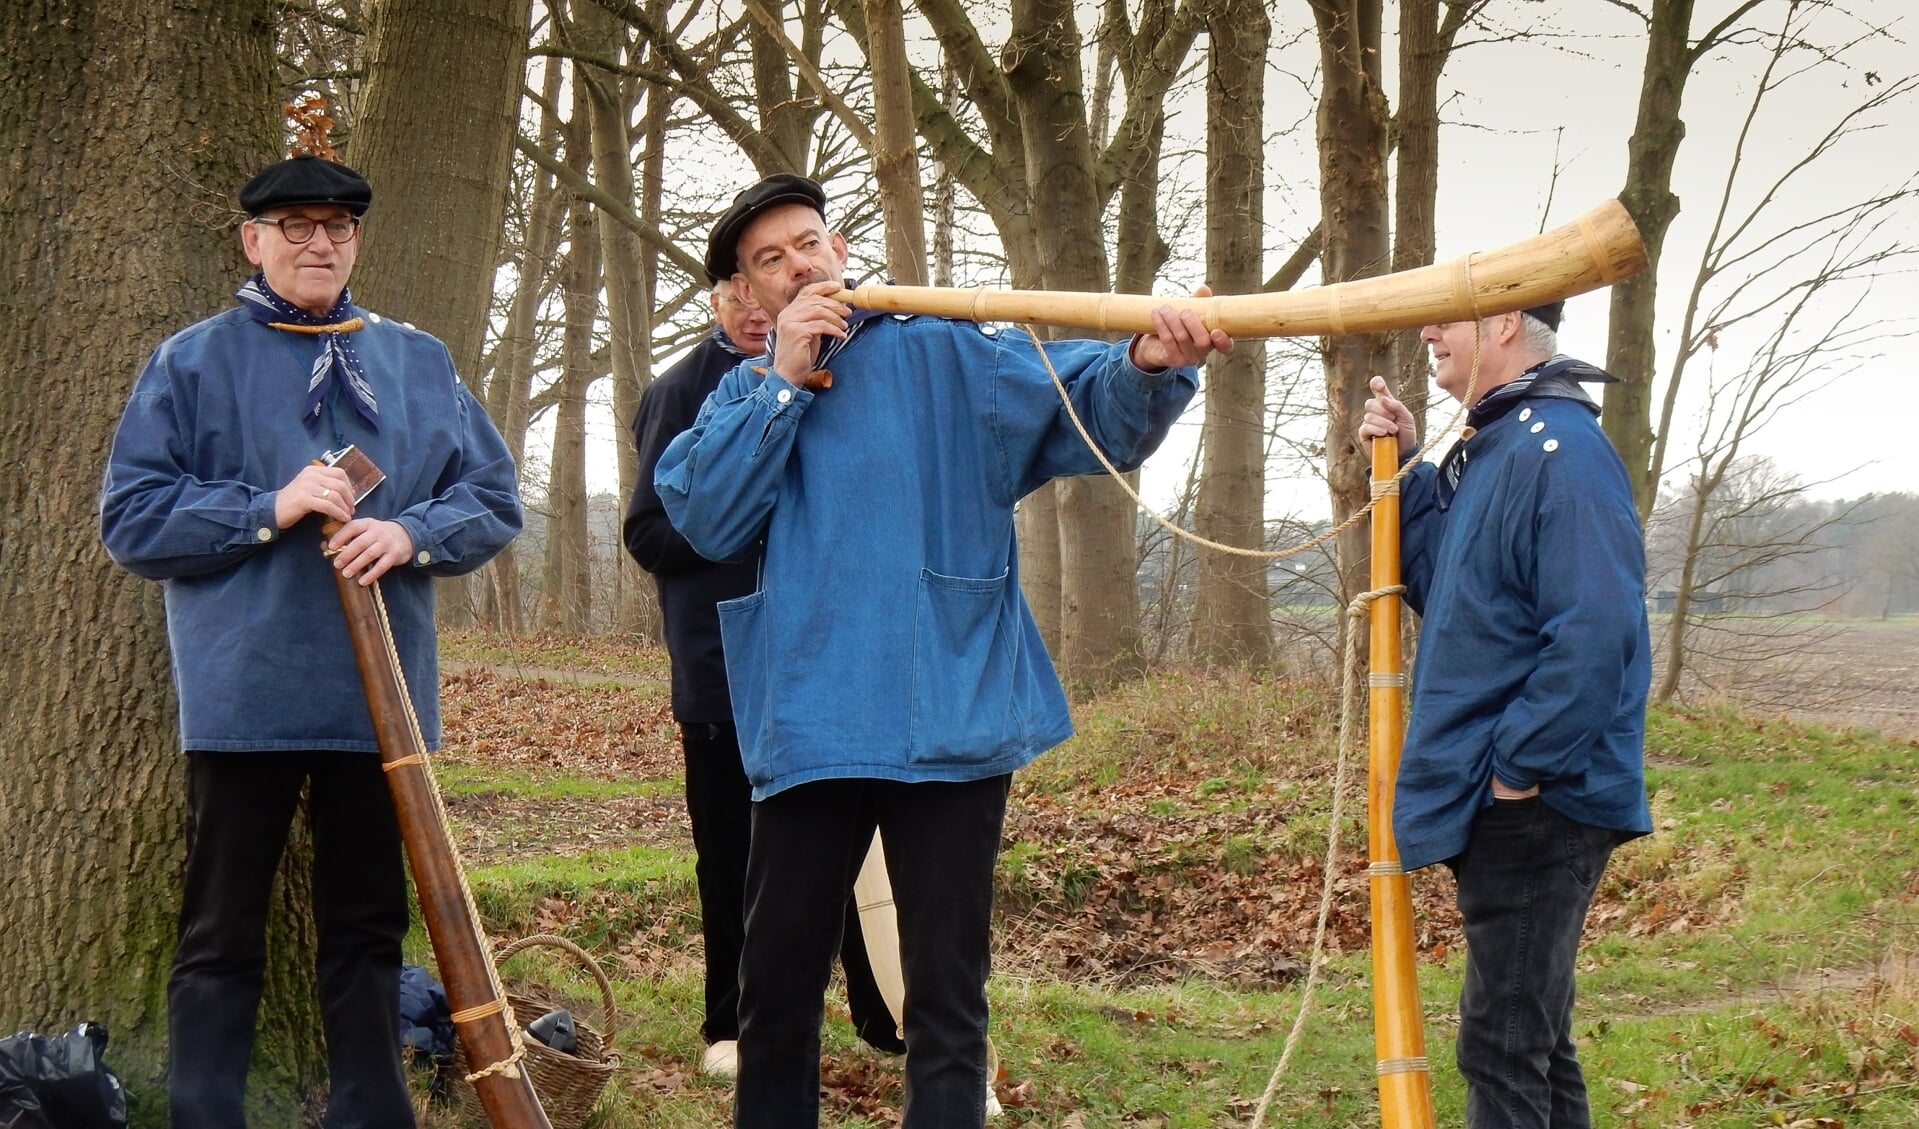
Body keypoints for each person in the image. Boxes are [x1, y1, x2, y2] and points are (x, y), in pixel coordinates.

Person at [655, 173, 1232, 1127]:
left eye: (808, 241)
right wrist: (781, 380)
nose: (797, 263)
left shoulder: (950, 351)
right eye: (769, 260)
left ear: (838, 249)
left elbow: (1088, 402)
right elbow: (706, 517)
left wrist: (1147, 359)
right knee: (777, 990)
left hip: (950, 712)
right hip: (809, 720)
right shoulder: (743, 390)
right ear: (749, 296)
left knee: (948, 997)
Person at [100, 154, 523, 1129]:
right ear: (252, 241)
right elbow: (133, 520)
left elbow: (492, 498)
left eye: (336, 225)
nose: (318, 241)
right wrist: (269, 505)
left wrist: (412, 532)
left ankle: (371, 1116)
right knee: (220, 929)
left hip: (382, 708)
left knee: (369, 929)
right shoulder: (192, 361)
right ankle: (207, 1115)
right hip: (243, 694)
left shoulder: (418, 361)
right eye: (294, 225)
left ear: (356, 240)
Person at [1357, 301, 1653, 1129]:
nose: (1425, 332)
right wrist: (1411, 465)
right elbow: (1447, 593)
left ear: (1505, 323)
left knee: (1501, 1043)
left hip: (1538, 801)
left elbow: (1598, 629)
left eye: (1448, 317)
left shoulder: (1561, 451)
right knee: (1534, 1036)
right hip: (1511, 795)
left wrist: (1517, 768)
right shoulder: (1499, 445)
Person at [622, 278, 906, 1078]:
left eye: (772, 290)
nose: (758, 309)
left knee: (873, 855)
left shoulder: (850, 368)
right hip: (727, 674)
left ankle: (892, 1021)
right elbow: (649, 529)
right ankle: (733, 1025)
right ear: (717, 299)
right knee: (736, 860)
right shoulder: (681, 389)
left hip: (841, 662)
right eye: (738, 292)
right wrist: (742, 518)